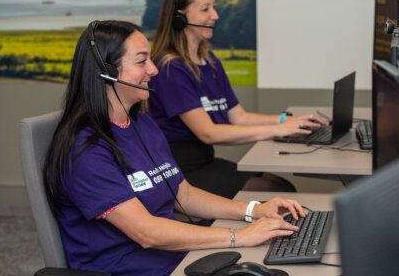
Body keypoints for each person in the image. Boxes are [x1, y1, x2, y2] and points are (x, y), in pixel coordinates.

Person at [43, 20, 307, 276]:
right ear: (108, 72)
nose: (154, 70)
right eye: (141, 61)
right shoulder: (85, 150)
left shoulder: (142, 124)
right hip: (129, 268)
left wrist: (252, 210)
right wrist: (240, 236)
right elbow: (146, 232)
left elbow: (185, 195)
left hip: (176, 257)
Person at [148, 0, 328, 199]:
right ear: (179, 17)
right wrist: (278, 130)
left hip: (205, 161)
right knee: (279, 191)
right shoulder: (171, 69)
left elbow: (239, 116)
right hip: (181, 172)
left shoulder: (209, 60)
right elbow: (208, 132)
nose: (215, 15)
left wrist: (286, 121)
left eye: (213, 7)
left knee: (280, 184)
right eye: (205, 9)